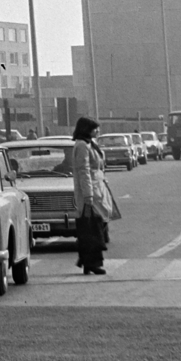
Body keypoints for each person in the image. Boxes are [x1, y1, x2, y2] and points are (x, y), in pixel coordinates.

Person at [72, 117, 110, 276]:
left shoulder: (89, 144)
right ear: (87, 129)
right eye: (95, 128)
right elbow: (84, 171)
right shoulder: (82, 146)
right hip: (91, 192)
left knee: (96, 226)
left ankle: (86, 261)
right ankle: (92, 262)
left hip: (98, 189)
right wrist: (88, 195)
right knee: (93, 229)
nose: (98, 131)